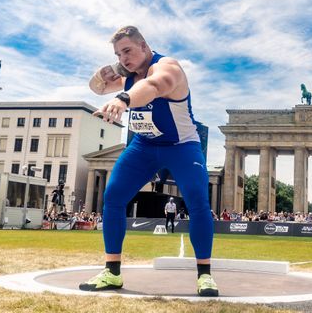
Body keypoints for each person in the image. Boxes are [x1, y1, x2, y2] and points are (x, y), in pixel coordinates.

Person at [79, 25, 218, 296]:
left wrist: (122, 99)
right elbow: (97, 89)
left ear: (144, 46)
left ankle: (205, 276)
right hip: (144, 145)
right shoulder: (128, 76)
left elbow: (154, 86)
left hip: (181, 145)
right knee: (114, 196)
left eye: (128, 51)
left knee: (197, 201)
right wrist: (100, 75)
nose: (123, 59)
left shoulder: (168, 67)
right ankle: (112, 272)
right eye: (118, 54)